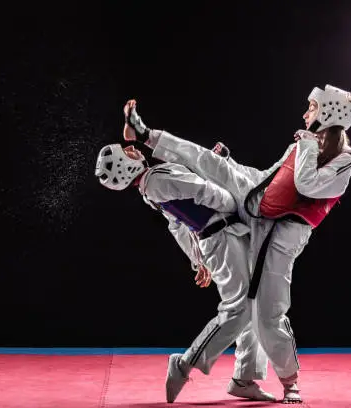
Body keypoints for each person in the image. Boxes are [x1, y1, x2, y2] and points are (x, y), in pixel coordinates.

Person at [122, 85, 351, 404]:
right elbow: (270, 177)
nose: (306, 113)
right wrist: (232, 164)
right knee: (208, 160)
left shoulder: (344, 160)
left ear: (328, 113)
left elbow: (306, 184)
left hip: (283, 233)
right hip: (257, 201)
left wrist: (306, 145)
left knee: (266, 313)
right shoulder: (303, 143)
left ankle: (288, 380)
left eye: (311, 108)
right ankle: (145, 133)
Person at [94, 142, 275, 403]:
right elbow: (207, 192)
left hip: (220, 236)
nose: (134, 151)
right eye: (128, 152)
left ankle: (244, 378)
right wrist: (242, 206)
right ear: (125, 166)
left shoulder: (150, 188)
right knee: (239, 308)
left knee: (252, 303)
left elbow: (178, 225)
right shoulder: (156, 179)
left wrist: (197, 260)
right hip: (222, 235)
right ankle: (184, 363)